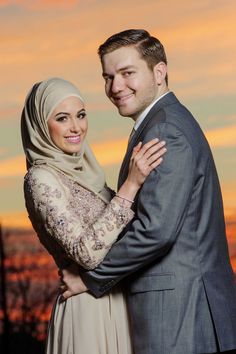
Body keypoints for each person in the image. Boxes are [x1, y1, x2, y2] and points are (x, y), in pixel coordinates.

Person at [61, 29, 236, 354]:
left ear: (159, 71)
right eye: (108, 76)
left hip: (181, 311)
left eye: (127, 73)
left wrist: (90, 278)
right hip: (183, 307)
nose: (115, 87)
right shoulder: (160, 122)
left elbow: (156, 230)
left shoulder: (165, 130)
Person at [21, 77, 166, 354]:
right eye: (62, 118)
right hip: (86, 309)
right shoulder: (40, 179)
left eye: (81, 115)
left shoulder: (88, 175)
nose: (76, 127)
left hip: (115, 299)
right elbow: (86, 253)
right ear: (40, 124)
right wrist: (131, 185)